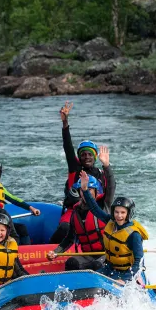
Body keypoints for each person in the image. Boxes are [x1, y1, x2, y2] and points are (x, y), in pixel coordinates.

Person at [79, 171, 155, 295]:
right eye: (116, 212)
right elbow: (94, 208)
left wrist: (125, 280)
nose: (119, 216)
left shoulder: (134, 235)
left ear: (128, 214)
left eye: (123, 213)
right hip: (110, 268)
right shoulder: (111, 221)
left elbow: (139, 262)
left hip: (127, 273)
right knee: (87, 283)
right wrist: (85, 189)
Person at [46, 145, 115, 271]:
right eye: (83, 190)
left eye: (89, 189)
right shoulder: (76, 212)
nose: (86, 193)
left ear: (96, 191)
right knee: (72, 263)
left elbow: (111, 186)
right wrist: (56, 252)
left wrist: (106, 166)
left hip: (107, 255)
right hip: (88, 255)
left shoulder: (103, 204)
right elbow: (69, 239)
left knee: (97, 266)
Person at [49, 101, 108, 243]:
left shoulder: (101, 173)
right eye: (83, 155)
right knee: (64, 227)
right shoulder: (75, 169)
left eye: (89, 154)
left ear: (94, 157)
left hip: (95, 212)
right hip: (74, 211)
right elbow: (68, 147)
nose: (86, 157)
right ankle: (50, 249)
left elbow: (108, 192)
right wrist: (65, 123)